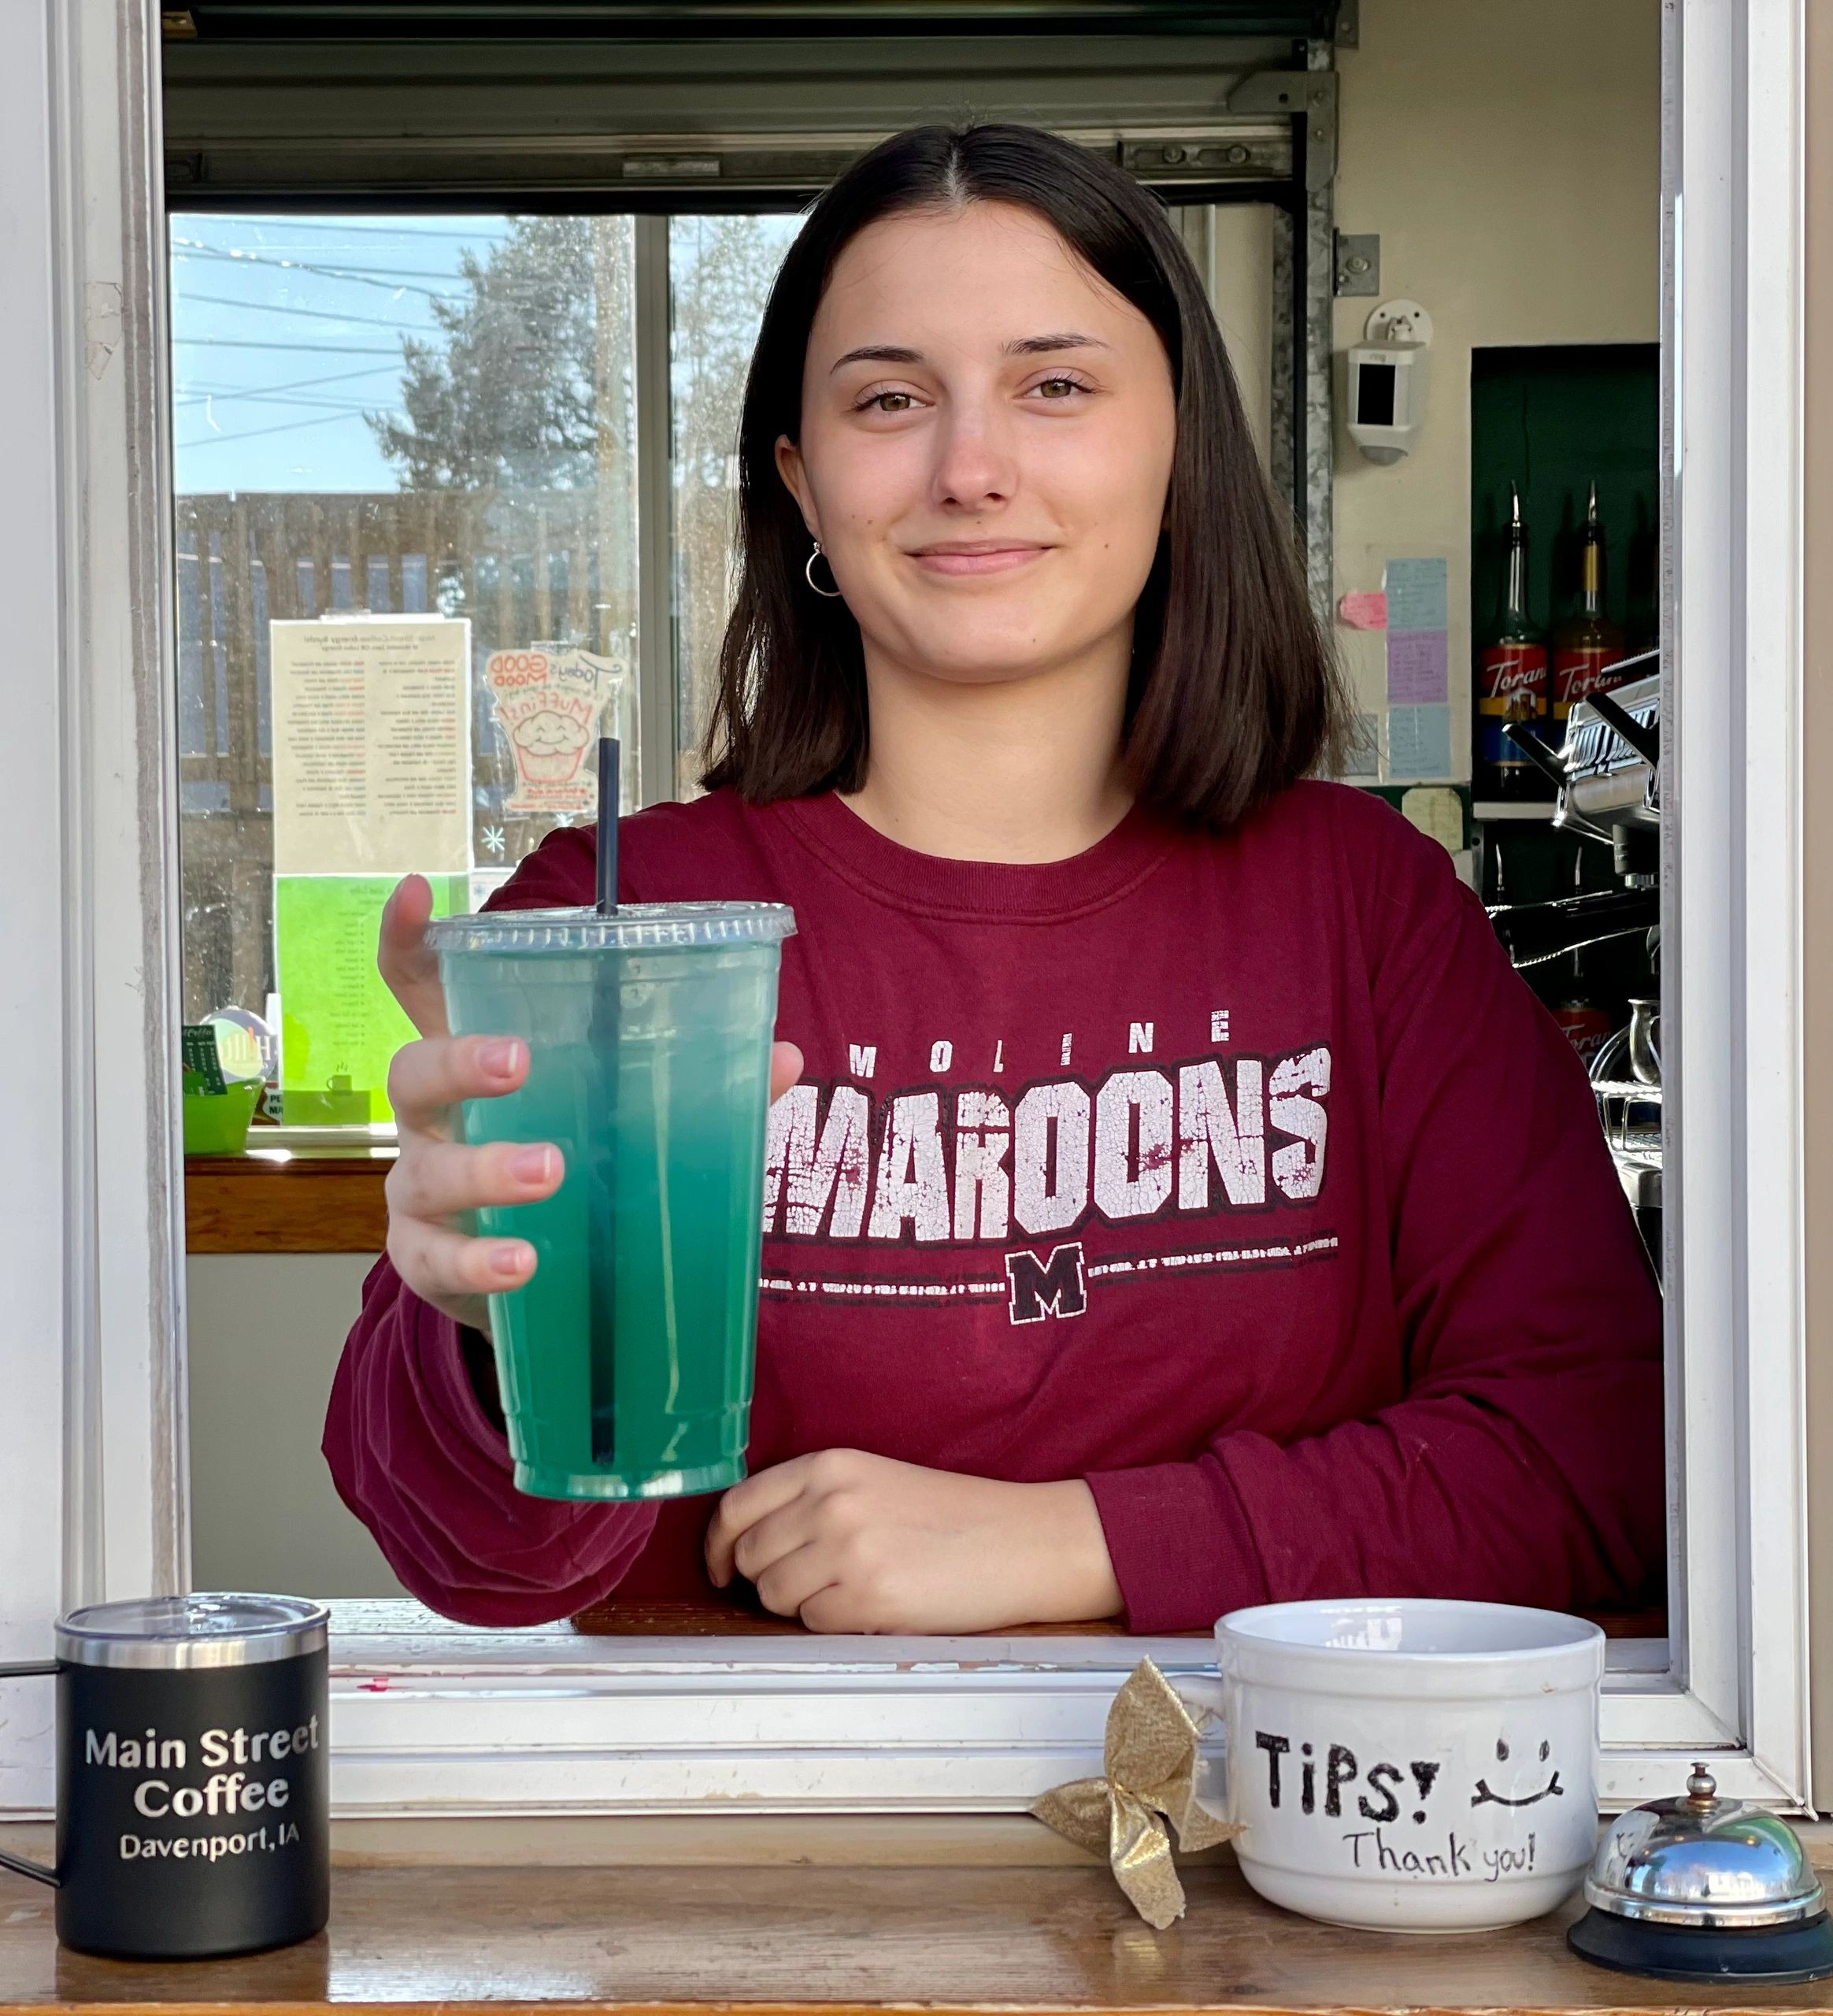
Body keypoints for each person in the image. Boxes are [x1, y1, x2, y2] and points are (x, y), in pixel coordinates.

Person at [326, 123, 1663, 1636]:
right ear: (803, 480)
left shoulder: (1371, 910)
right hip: (758, 1835)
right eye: (890, 400)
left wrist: (1074, 1542)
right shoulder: (614, 925)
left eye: (1058, 385)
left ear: (1178, 445)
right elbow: (481, 1571)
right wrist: (482, 1324)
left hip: (1279, 1839)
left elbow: (1590, 1468)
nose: (971, 468)